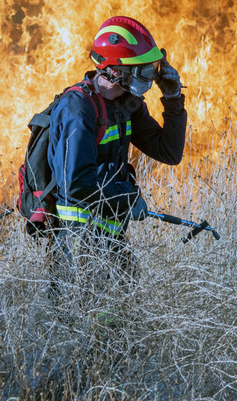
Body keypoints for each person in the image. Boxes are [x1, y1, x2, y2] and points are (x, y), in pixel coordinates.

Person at [48, 16, 187, 287]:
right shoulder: (78, 109)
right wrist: (128, 197)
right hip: (78, 244)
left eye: (152, 67)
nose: (151, 76)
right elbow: (75, 184)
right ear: (114, 70)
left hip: (111, 237)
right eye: (142, 69)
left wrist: (173, 99)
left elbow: (169, 152)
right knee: (84, 313)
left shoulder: (126, 106)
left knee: (124, 308)